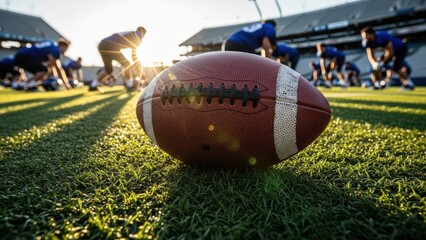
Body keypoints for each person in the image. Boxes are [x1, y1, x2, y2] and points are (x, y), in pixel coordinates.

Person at [90, 26, 146, 92]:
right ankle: (129, 85)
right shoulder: (138, 36)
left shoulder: (131, 33)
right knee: (126, 64)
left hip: (102, 45)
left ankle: (93, 85)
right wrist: (139, 69)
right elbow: (134, 55)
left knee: (109, 69)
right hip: (111, 46)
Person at [360, 26, 415, 90]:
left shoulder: (382, 37)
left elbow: (390, 52)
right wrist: (375, 63)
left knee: (396, 68)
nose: (364, 37)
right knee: (375, 67)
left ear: (371, 34)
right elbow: (370, 55)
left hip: (400, 48)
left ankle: (409, 84)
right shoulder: (367, 42)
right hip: (389, 51)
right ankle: (378, 84)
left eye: (365, 35)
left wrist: (382, 62)